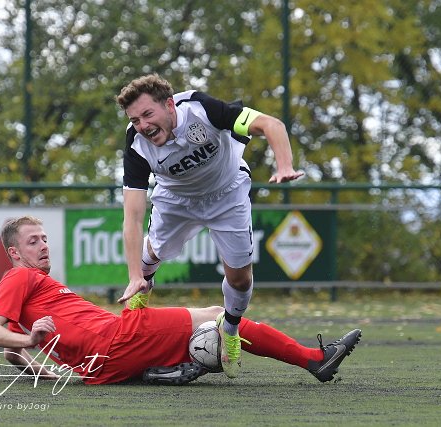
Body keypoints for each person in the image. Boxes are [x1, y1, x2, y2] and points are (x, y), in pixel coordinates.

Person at [0, 216, 362, 386]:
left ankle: (164, 367)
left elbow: (10, 347)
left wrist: (38, 369)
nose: (43, 245)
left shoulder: (35, 285)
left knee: (145, 302)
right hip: (115, 342)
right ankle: (314, 360)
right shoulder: (20, 276)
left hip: (101, 365)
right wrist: (31, 342)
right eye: (33, 241)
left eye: (45, 238)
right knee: (219, 315)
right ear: (14, 253)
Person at [115, 74, 305, 378]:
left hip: (227, 193)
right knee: (151, 253)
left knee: (240, 280)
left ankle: (229, 329)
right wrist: (135, 276)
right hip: (176, 199)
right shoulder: (137, 144)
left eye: (148, 114)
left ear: (169, 105)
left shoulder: (202, 109)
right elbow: (133, 218)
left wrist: (284, 165)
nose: (143, 125)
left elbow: (272, 125)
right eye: (135, 120)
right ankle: (140, 295)